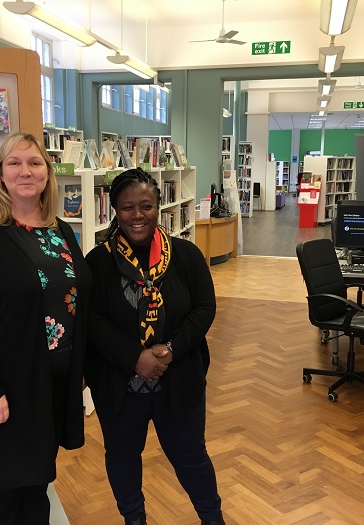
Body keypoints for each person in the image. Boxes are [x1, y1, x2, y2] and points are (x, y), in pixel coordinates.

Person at [0, 132, 91, 524]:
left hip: (50, 388)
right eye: (15, 163)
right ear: (1, 174)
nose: (26, 171)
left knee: (36, 488)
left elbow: (75, 300)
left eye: (35, 162)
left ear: (47, 173)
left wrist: (78, 370)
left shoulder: (61, 232)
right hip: (4, 394)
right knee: (2, 498)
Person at [85, 168, 224, 525]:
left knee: (191, 456)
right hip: (120, 385)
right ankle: (134, 520)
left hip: (179, 380)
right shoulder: (97, 263)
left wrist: (172, 349)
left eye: (146, 205)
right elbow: (93, 320)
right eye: (127, 207)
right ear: (115, 209)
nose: (137, 215)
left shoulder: (187, 256)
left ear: (159, 206)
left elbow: (204, 308)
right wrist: (135, 358)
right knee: (122, 457)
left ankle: (212, 518)